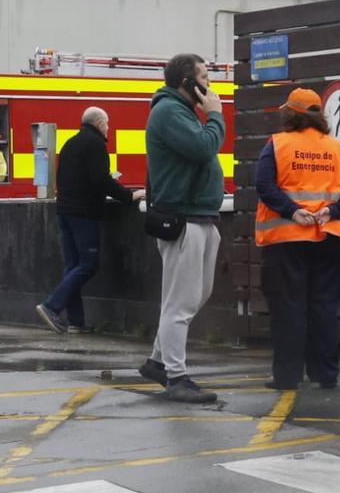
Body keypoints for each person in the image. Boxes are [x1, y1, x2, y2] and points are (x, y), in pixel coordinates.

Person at [254, 88, 340, 391]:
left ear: (290, 113)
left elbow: (263, 184)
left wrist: (292, 212)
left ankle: (287, 376)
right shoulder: (339, 149)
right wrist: (332, 211)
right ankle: (326, 373)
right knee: (324, 306)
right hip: (332, 237)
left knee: (288, 306)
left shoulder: (277, 145)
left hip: (287, 237)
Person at [137, 54, 226, 404]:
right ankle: (176, 377)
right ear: (186, 82)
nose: (209, 84)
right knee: (181, 304)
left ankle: (159, 361)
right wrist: (215, 115)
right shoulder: (169, 112)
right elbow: (204, 147)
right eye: (204, 77)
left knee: (194, 297)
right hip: (184, 220)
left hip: (200, 216)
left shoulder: (182, 112)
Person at [36, 107, 144, 335]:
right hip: (84, 213)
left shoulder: (70, 143)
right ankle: (52, 306)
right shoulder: (95, 145)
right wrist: (129, 196)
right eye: (107, 123)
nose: (109, 128)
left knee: (73, 266)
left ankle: (76, 320)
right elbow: (101, 181)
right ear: (99, 123)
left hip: (64, 211)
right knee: (88, 264)